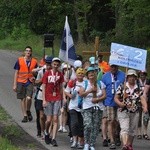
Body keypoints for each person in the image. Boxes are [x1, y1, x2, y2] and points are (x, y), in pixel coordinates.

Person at [114, 69, 148, 150]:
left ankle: (129, 145)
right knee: (124, 128)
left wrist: (145, 107)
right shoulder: (122, 86)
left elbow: (142, 98)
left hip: (135, 111)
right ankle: (125, 145)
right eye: (130, 77)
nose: (132, 78)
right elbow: (116, 98)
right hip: (123, 111)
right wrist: (120, 103)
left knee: (132, 130)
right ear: (127, 77)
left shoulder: (139, 87)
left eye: (133, 77)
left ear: (136, 78)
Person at [80, 67, 106, 150]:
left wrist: (97, 99)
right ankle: (86, 143)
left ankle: (92, 144)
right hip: (87, 107)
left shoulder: (100, 83)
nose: (91, 74)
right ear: (87, 75)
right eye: (89, 73)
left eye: (93, 72)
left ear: (95, 74)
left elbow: (104, 95)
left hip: (98, 107)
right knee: (88, 125)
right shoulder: (84, 83)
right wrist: (90, 91)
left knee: (96, 126)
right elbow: (81, 94)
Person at [101, 64, 125, 149]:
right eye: (112, 66)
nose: (113, 68)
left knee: (118, 122)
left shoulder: (123, 75)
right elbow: (102, 89)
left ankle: (117, 135)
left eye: (115, 66)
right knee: (110, 121)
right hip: (109, 102)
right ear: (110, 67)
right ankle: (112, 141)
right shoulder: (105, 76)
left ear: (118, 67)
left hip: (120, 102)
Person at [42, 57, 64, 146]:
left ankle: (54, 138)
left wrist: (62, 99)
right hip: (48, 98)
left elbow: (61, 87)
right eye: (54, 64)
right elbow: (43, 86)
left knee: (55, 119)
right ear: (51, 64)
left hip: (57, 98)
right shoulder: (47, 73)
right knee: (48, 120)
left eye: (57, 65)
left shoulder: (60, 74)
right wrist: (43, 99)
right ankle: (46, 132)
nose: (56, 66)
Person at [13, 46, 38, 123]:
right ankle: (25, 115)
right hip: (20, 81)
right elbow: (16, 72)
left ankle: (28, 110)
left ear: (31, 52)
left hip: (30, 81)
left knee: (29, 98)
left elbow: (36, 73)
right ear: (24, 52)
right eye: (26, 51)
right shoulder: (19, 60)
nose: (28, 52)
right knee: (22, 99)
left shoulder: (34, 61)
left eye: (29, 51)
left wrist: (34, 83)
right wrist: (14, 84)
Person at [65, 67, 85, 149]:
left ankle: (81, 141)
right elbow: (66, 90)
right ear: (76, 74)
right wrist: (70, 95)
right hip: (73, 106)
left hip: (83, 107)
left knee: (81, 125)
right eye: (78, 73)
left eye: (81, 73)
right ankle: (74, 140)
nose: (80, 75)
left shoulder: (85, 83)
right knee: (74, 123)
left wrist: (82, 93)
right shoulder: (72, 82)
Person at [34, 56, 53, 138]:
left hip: (51, 95)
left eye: (50, 64)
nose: (49, 66)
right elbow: (36, 82)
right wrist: (43, 79)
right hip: (41, 95)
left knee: (49, 116)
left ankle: (47, 131)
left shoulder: (55, 73)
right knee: (41, 116)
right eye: (47, 64)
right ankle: (42, 131)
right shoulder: (42, 71)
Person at [137, 71, 150, 140]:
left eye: (144, 75)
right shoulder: (137, 81)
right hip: (138, 101)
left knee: (146, 117)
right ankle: (139, 132)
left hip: (146, 101)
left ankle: (145, 132)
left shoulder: (148, 81)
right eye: (141, 75)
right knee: (138, 117)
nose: (142, 76)